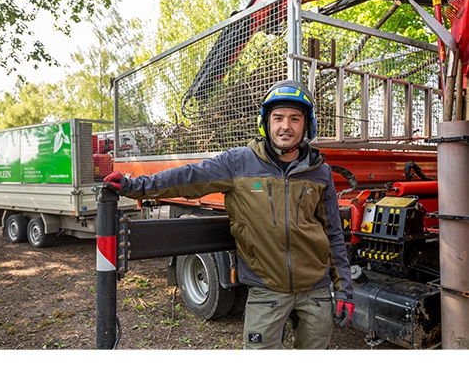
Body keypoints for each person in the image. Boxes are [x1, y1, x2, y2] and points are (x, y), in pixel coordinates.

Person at [104, 80, 354, 349]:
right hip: (265, 288)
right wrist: (134, 185)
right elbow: (187, 177)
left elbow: (332, 235)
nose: (286, 126)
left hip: (315, 291)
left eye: (295, 119)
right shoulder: (238, 162)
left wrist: (344, 290)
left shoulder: (319, 170)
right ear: (266, 122)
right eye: (278, 117)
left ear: (307, 124)